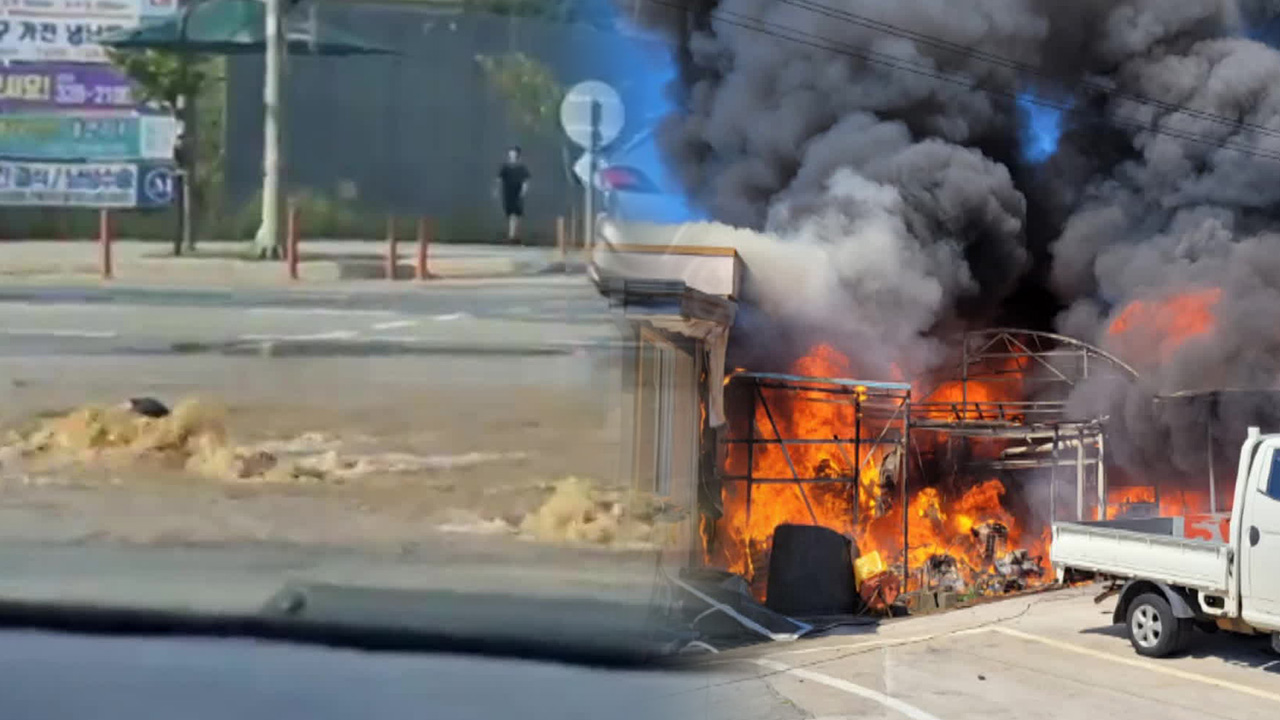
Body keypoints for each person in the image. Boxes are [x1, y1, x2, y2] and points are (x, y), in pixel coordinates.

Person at [495, 146, 531, 244]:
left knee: (515, 215)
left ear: (517, 155)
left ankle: (513, 236)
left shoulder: (521, 167)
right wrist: (496, 190)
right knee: (511, 214)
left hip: (517, 193)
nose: (512, 155)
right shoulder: (505, 167)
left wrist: (523, 191)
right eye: (510, 153)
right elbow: (499, 179)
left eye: (513, 153)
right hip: (508, 193)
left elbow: (526, 180)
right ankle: (513, 236)